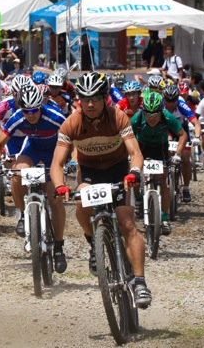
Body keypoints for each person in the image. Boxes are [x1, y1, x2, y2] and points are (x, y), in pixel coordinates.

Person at [50, 71, 152, 308]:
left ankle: (139, 282)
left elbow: (135, 153)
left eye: (95, 98)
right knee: (80, 202)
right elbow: (57, 163)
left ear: (105, 97)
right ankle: (93, 242)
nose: (90, 103)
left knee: (127, 223)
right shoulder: (71, 123)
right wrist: (60, 186)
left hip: (118, 171)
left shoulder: (118, 117)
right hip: (90, 173)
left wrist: (134, 172)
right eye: (85, 99)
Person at [0, 84, 68, 271]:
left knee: (55, 199)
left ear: (40, 106)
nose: (31, 115)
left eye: (34, 110)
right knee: (18, 172)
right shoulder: (18, 118)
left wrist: (71, 160)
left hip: (54, 151)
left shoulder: (55, 117)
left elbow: (72, 136)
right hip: (32, 148)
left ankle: (58, 246)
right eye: (26, 111)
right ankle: (22, 215)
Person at [131, 91, 188, 235]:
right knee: (135, 176)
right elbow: (125, 136)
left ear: (161, 112)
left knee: (163, 181)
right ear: (143, 111)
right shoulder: (136, 119)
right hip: (141, 148)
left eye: (155, 114)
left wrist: (178, 154)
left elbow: (183, 135)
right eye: (148, 114)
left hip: (160, 148)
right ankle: (138, 198)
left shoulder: (167, 117)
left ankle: (164, 218)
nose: (152, 118)